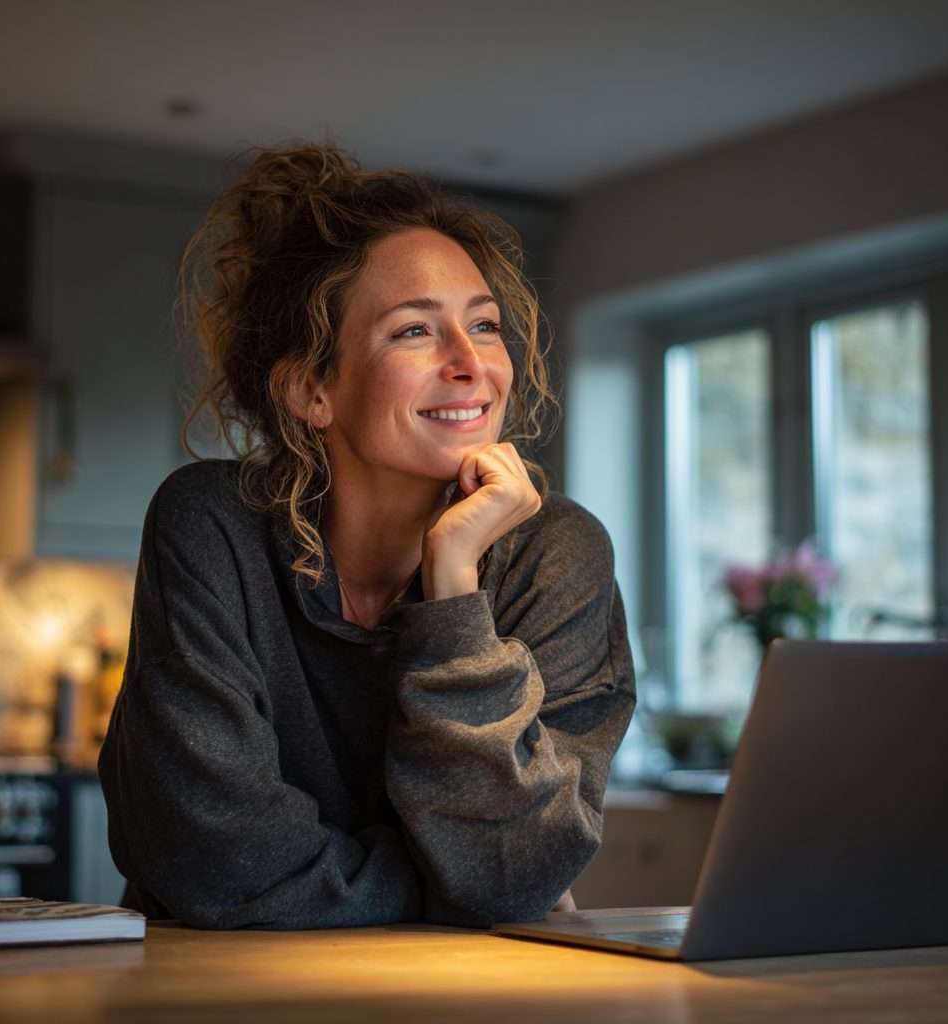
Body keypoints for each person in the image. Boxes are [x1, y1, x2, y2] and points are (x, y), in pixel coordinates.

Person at [98, 143, 635, 931]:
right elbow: (209, 861)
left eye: (483, 326)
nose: (471, 365)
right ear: (312, 389)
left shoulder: (557, 554)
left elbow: (515, 869)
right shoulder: (212, 524)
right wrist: (446, 892)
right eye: (415, 331)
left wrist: (451, 588)